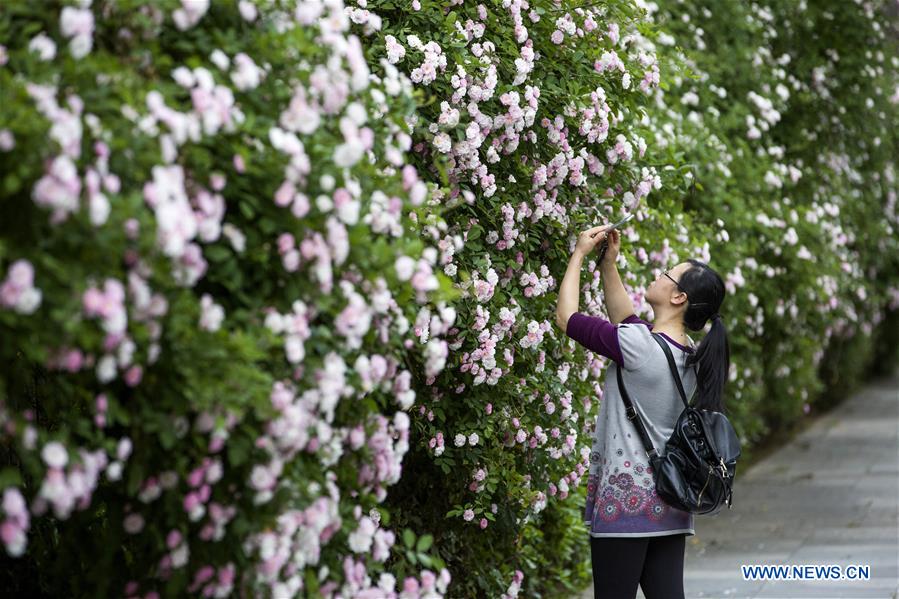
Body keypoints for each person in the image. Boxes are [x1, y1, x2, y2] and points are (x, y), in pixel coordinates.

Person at [555, 224, 730, 599]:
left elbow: (566, 317)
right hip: (670, 499)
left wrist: (579, 255)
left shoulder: (638, 347)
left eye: (667, 275)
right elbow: (627, 321)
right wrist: (608, 266)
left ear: (679, 296)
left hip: (626, 505)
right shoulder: (692, 356)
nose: (658, 275)